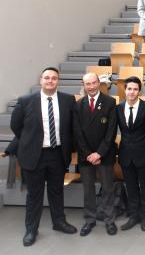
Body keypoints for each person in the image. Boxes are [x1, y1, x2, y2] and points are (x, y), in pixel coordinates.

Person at [10, 67, 78, 246]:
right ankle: (31, 229)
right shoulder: (25, 101)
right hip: (34, 155)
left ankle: (59, 222)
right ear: (41, 80)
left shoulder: (67, 100)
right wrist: (30, 142)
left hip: (57, 154)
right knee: (34, 194)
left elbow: (71, 128)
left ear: (58, 81)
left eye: (54, 78)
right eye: (47, 78)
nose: (50, 81)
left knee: (57, 191)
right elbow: (16, 126)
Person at [73, 73, 118, 236]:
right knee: (88, 189)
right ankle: (89, 220)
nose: (91, 86)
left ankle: (109, 220)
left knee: (107, 188)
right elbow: (77, 133)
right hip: (86, 156)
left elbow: (111, 131)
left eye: (93, 83)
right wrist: (88, 154)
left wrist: (99, 153)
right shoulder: (78, 105)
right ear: (83, 85)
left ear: (99, 83)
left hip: (104, 154)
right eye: (87, 84)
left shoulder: (110, 102)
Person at [116, 76, 145, 232]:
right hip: (125, 154)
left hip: (143, 153)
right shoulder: (118, 108)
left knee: (144, 186)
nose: (132, 92)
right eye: (129, 89)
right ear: (125, 90)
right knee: (130, 187)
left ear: (140, 90)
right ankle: (133, 215)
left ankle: (144, 216)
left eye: (135, 89)